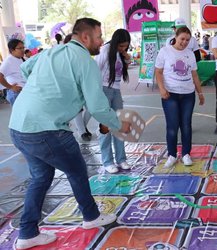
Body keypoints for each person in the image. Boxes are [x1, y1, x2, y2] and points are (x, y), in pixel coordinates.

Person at [9, 18, 131, 249]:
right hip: (47, 129)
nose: (101, 41)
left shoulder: (50, 52)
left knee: (41, 178)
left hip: (18, 126)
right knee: (76, 170)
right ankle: (91, 217)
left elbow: (26, 68)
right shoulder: (85, 60)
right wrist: (118, 124)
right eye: (98, 36)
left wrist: (49, 84)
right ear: (85, 37)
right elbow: (96, 106)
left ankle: (27, 233)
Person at [155, 26, 205, 168]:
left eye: (187, 40)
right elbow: (158, 72)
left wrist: (200, 93)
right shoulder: (165, 51)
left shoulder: (190, 54)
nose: (184, 42)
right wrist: (161, 89)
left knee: (186, 125)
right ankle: (171, 154)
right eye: (182, 39)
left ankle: (186, 154)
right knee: (172, 126)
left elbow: (194, 75)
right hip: (170, 94)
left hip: (188, 95)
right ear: (175, 36)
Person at [95, 29, 132, 174]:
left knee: (119, 124)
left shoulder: (120, 53)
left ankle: (121, 159)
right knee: (105, 127)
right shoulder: (105, 51)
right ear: (115, 41)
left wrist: (126, 57)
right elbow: (95, 71)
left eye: (125, 46)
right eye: (121, 45)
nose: (123, 48)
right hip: (104, 89)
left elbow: (123, 68)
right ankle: (107, 161)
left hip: (116, 90)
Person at [0, 39, 25, 105]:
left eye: (23, 47)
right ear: (12, 50)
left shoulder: (20, 58)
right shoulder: (8, 61)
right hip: (16, 93)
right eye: (20, 48)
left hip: (23, 91)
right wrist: (10, 87)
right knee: (19, 114)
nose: (23, 50)